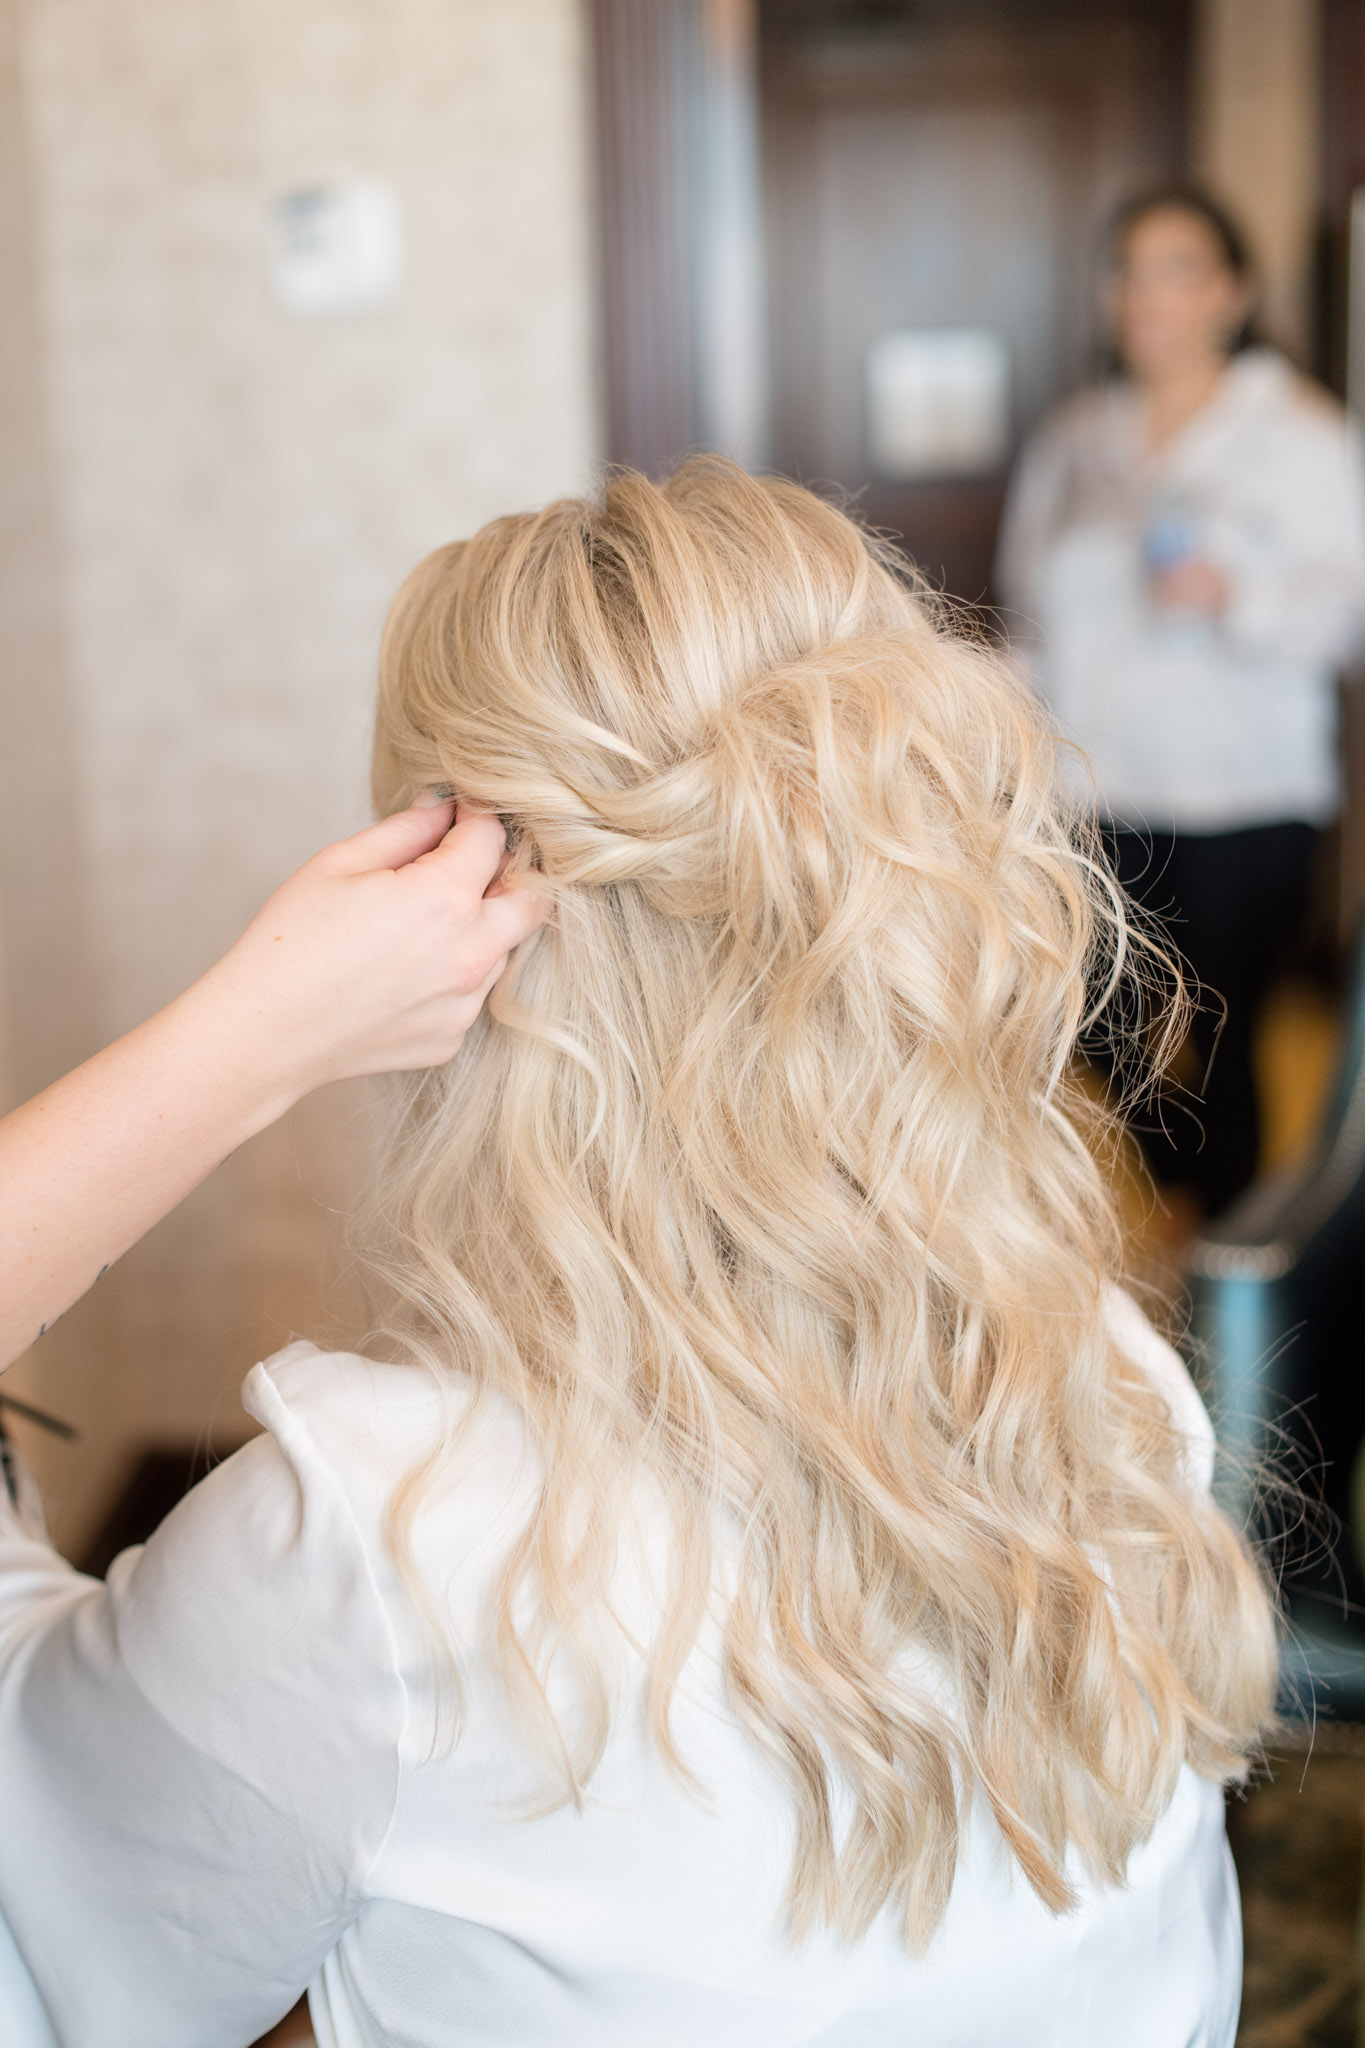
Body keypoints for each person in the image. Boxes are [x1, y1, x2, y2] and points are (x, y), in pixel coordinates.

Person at [0, 460, 1275, 2047]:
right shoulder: (1106, 1380)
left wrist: (242, 1041)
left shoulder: (378, 1547)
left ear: (452, 906)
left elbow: (56, 1935)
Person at [997, 187, 1365, 1219]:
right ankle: (1189, 1196)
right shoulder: (1076, 438)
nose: (1145, 293)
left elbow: (1348, 612)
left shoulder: (1298, 432)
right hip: (1096, 781)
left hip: (1242, 788)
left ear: (1232, 294)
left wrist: (1233, 595)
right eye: (1127, 269)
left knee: (1233, 1026)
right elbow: (1030, 610)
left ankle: (1225, 1252)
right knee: (1096, 1016)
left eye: (1177, 268)